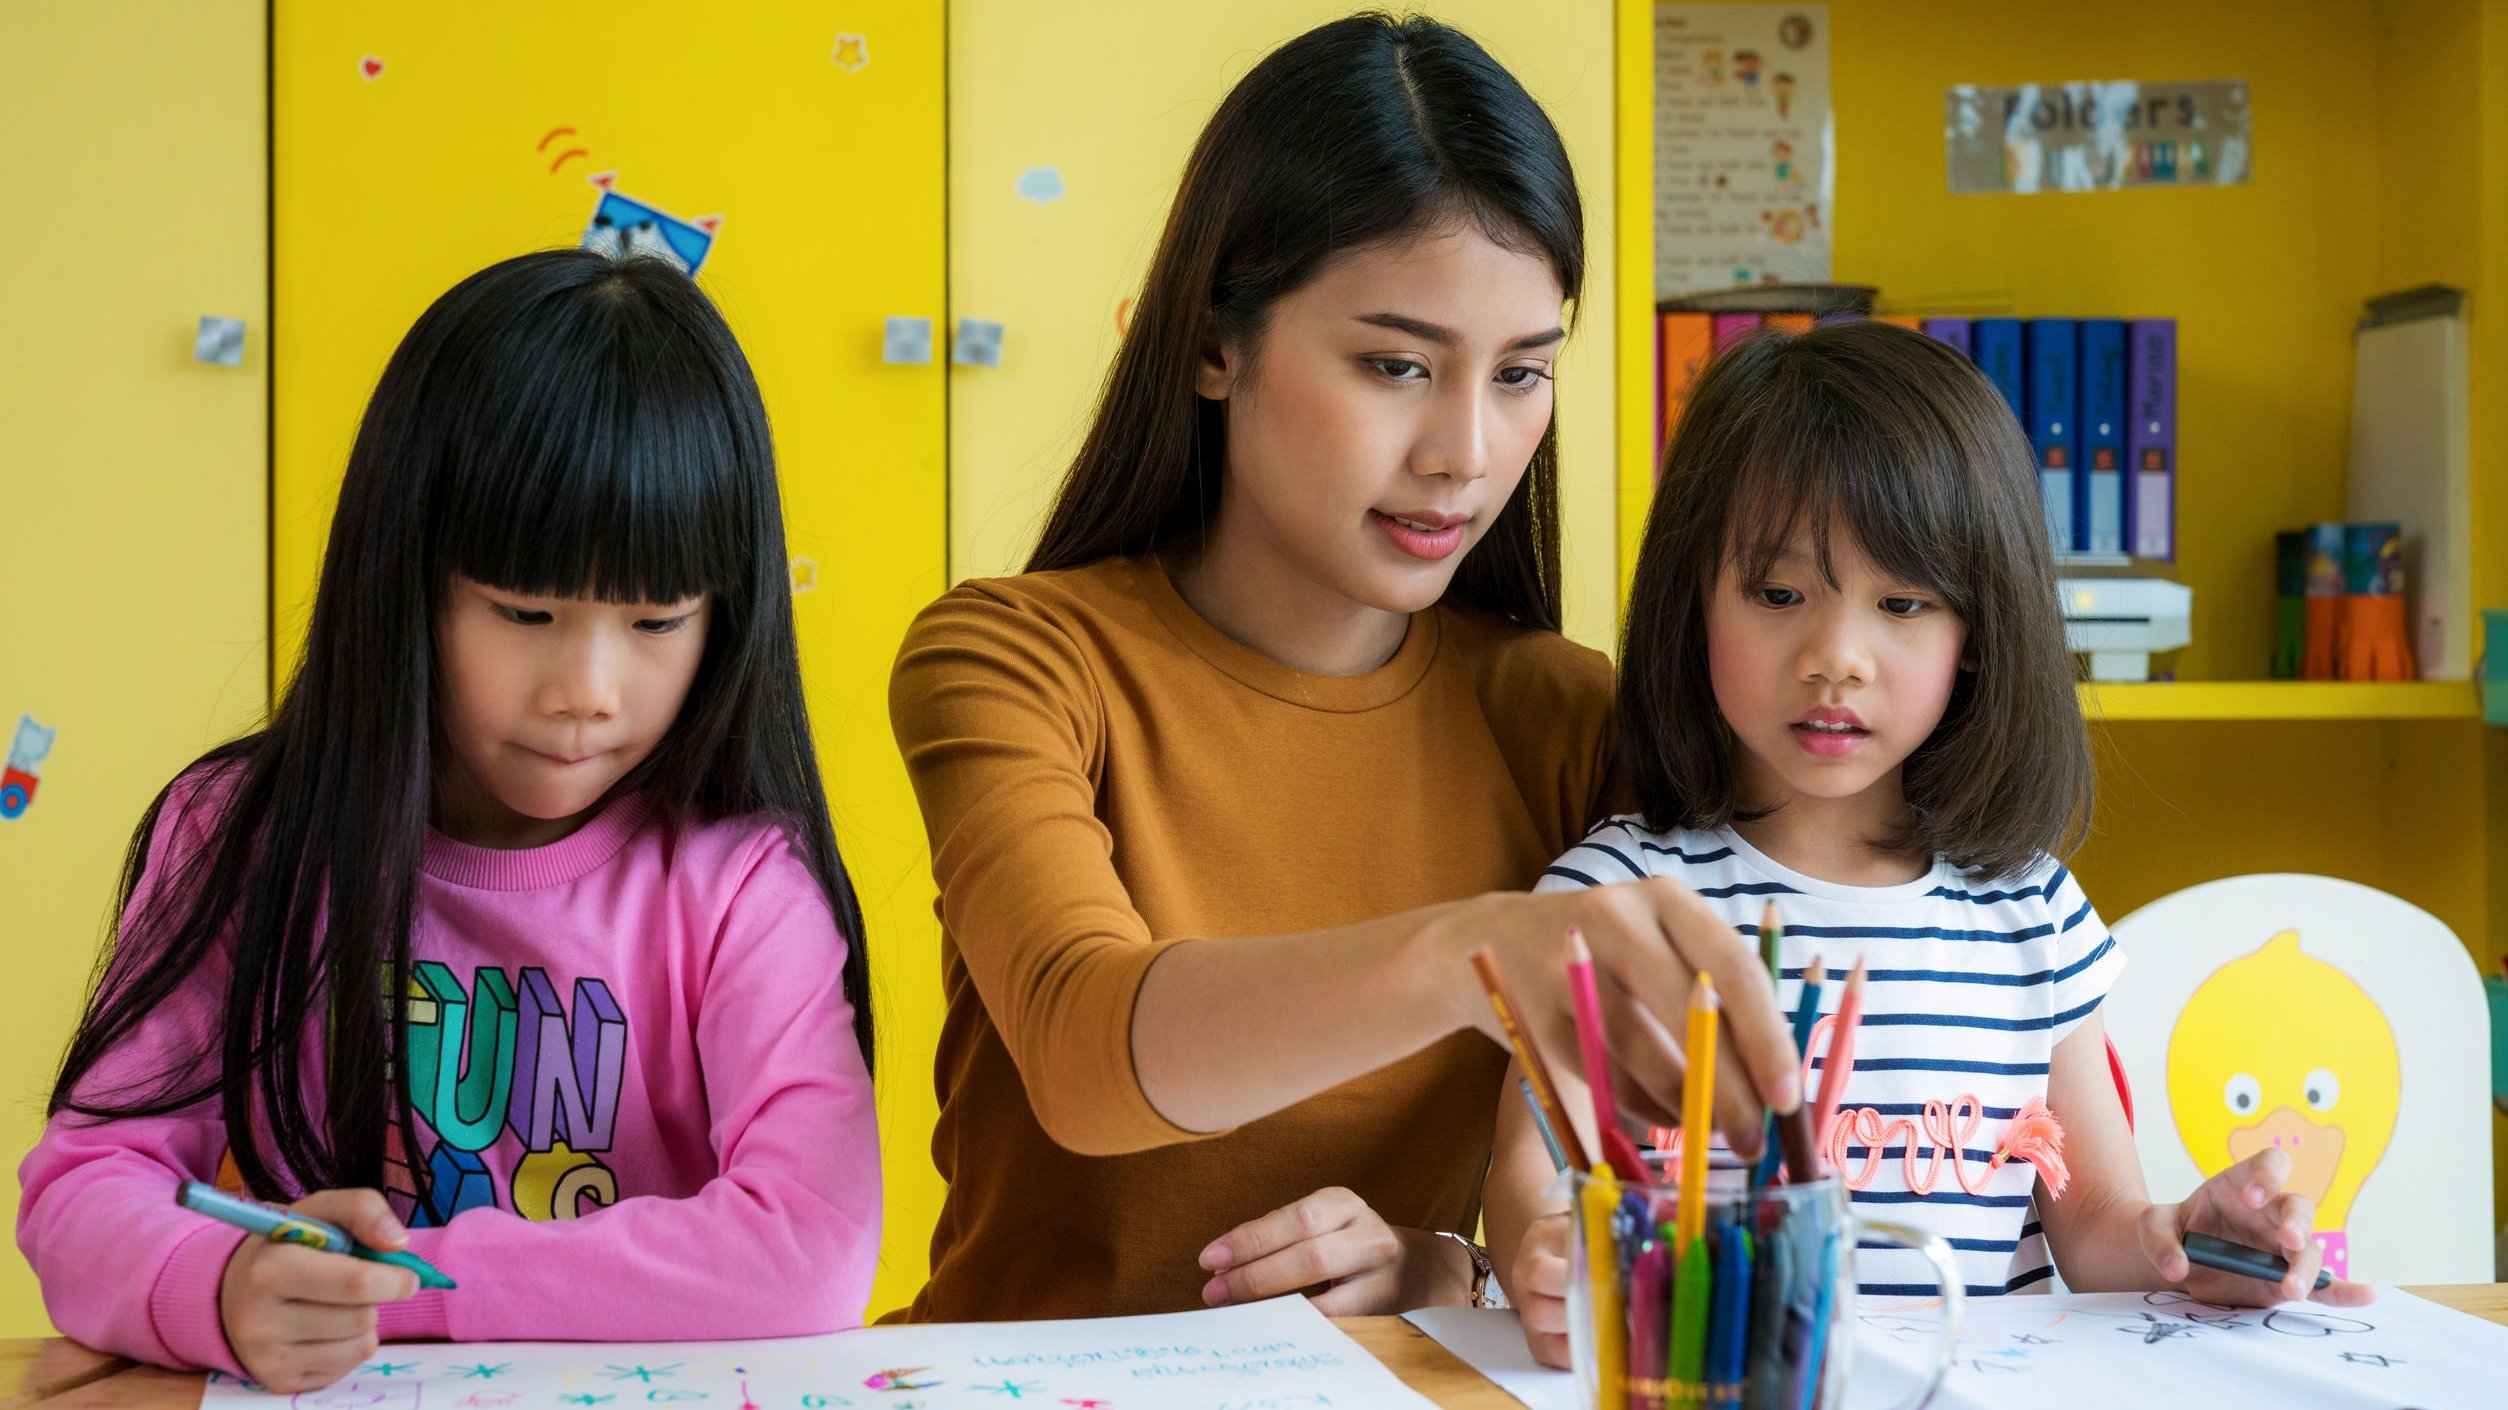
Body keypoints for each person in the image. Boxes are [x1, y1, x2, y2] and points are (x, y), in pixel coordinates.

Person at [888, 13, 1795, 1324]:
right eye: (1397, 364)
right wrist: (1474, 949)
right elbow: (1087, 1056)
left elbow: (1595, 1202)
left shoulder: (1565, 717)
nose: (1467, 451)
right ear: (1213, 344)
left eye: (1523, 373)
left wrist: (1450, 1268)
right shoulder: (1016, 658)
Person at [19, 250, 881, 1390]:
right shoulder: (239, 835)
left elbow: (811, 1248)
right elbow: (86, 1185)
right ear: (405, 578)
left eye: (657, 620)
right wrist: (219, 1288)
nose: (588, 686)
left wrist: (401, 1287)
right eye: (525, 609)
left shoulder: (737, 883)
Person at [1491, 321, 2373, 1368]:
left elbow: (2097, 1230)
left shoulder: (2029, 912)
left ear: (1978, 634)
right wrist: (1545, 1252)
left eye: (1902, 603)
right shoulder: (1614, 900)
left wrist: (2189, 1244)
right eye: (1778, 595)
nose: (1836, 659)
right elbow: (1530, 1174)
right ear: (1692, 600)